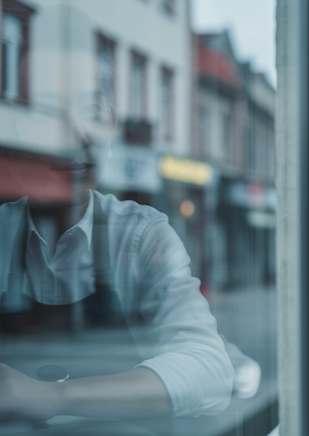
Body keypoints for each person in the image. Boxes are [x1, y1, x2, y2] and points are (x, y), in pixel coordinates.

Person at [0, 5, 233, 422]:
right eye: (52, 107)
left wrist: (52, 398)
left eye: (91, 112)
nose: (79, 135)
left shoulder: (142, 234)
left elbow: (211, 369)